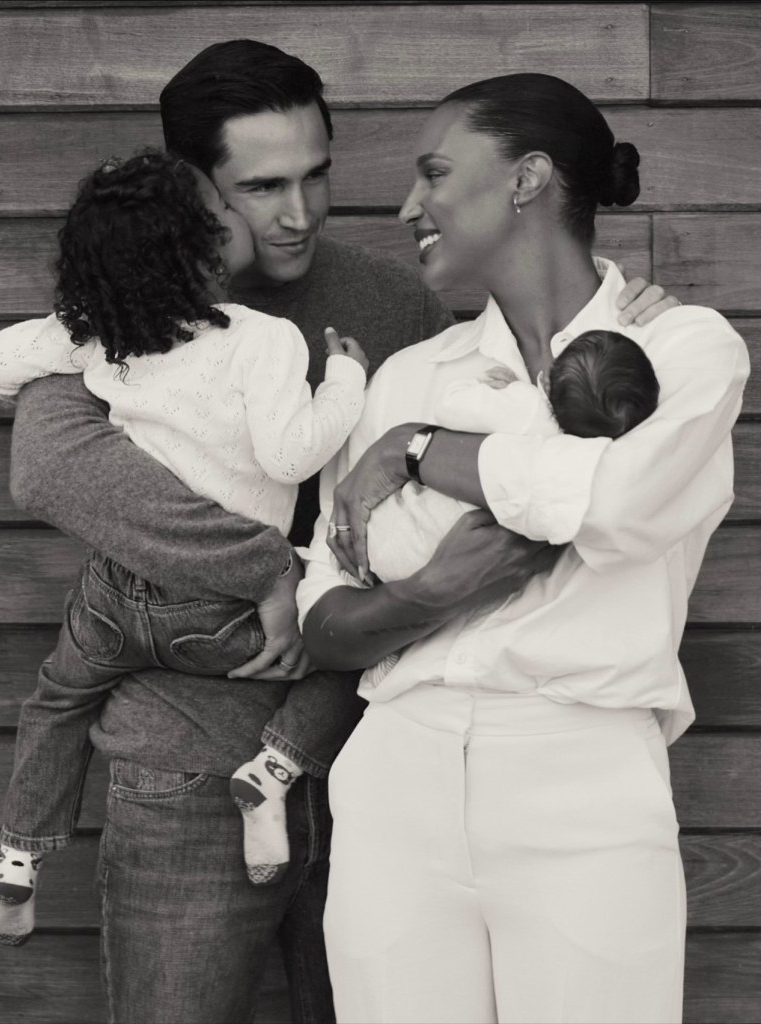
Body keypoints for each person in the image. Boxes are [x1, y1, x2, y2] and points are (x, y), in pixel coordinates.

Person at [4, 39, 673, 1023]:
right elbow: (55, 468)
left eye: (315, 176)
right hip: (187, 767)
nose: (299, 213)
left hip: (375, 759)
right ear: (193, 189)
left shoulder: (390, 304)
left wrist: (618, 324)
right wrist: (268, 570)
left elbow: (506, 429)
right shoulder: (128, 303)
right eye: (261, 187)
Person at [298, 73, 749, 1024]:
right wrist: (429, 595)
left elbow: (615, 507)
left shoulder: (685, 350)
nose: (408, 205)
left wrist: (418, 450)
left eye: (433, 174)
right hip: (395, 776)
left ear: (527, 178)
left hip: (584, 772)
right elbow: (326, 622)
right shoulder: (408, 377)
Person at [0, 146, 372, 944]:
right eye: (223, 207)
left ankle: (19, 854)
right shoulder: (262, 338)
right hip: (220, 610)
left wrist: (77, 330)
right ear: (205, 244)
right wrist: (345, 380)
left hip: (115, 593)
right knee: (357, 648)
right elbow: (291, 458)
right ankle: (272, 772)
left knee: (58, 699)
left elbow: (0, 364)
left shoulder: (99, 335)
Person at [364, 328, 659, 585]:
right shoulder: (579, 454)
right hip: (453, 552)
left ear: (546, 383)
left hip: (405, 533)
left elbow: (449, 407)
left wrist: (485, 386)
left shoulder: (526, 406)